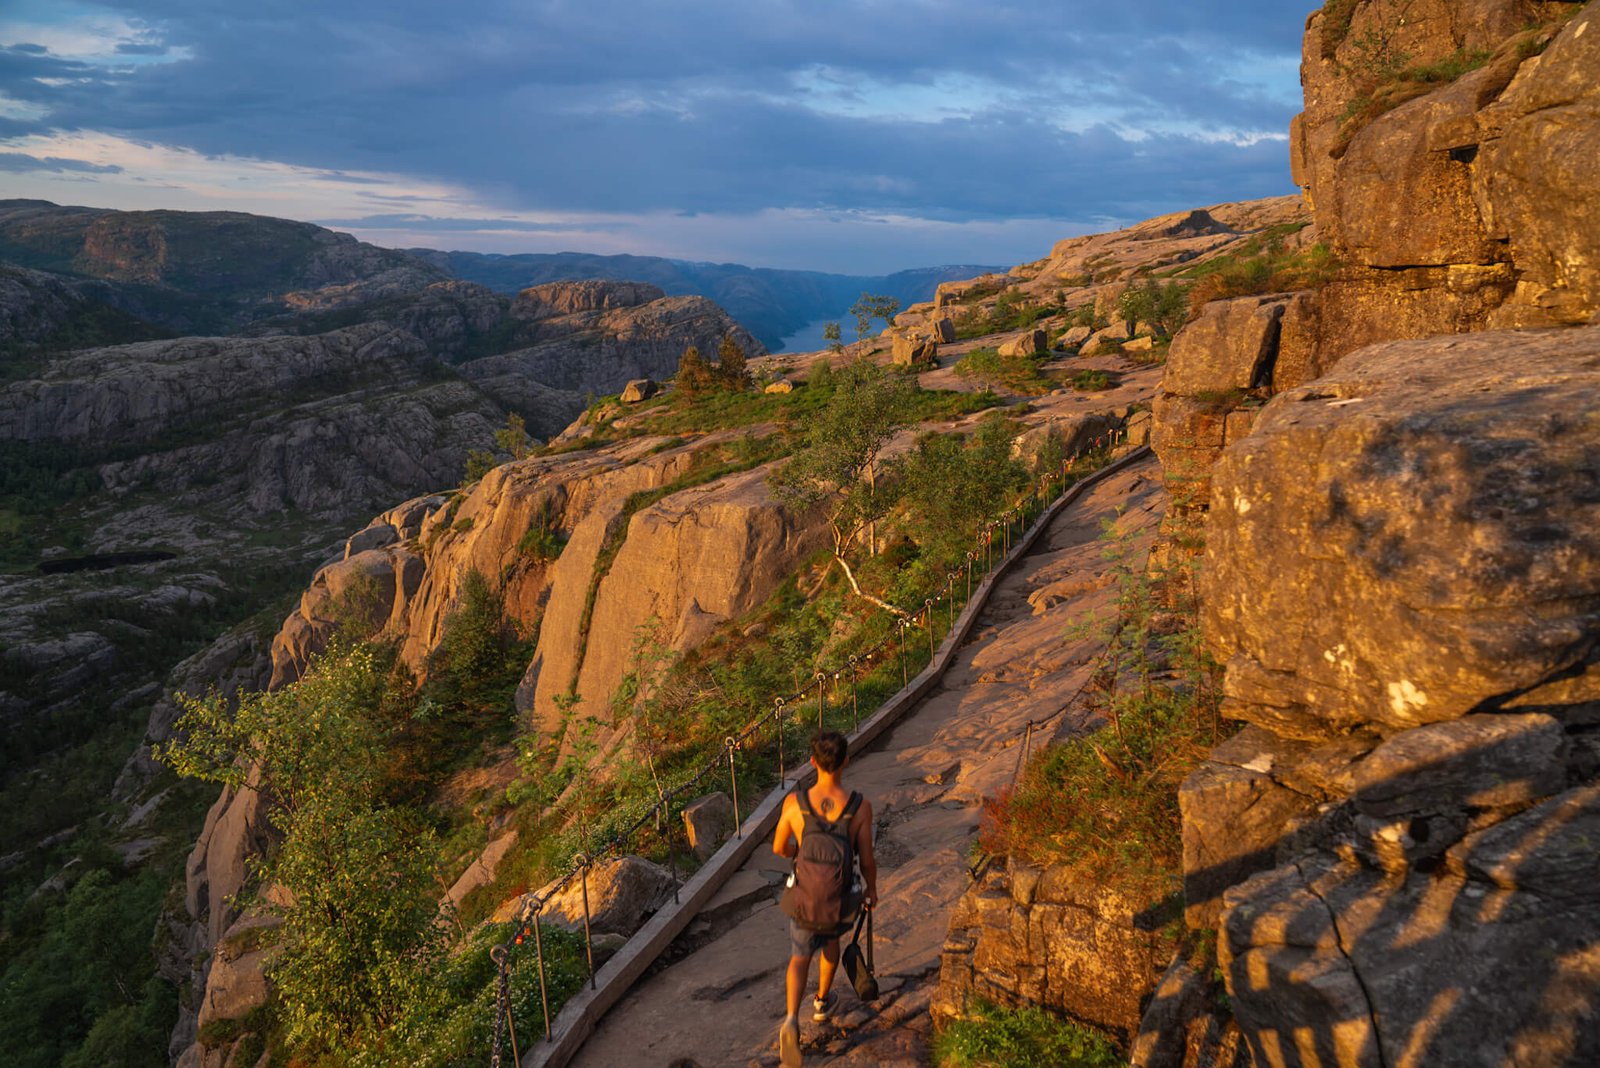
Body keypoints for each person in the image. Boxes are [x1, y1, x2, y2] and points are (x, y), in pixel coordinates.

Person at [771, 731, 878, 1067]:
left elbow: (779, 847)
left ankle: (790, 1020)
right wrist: (872, 890)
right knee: (830, 944)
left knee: (799, 957)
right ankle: (821, 1002)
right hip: (838, 897)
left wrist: (799, 854)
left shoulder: (795, 804)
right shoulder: (859, 807)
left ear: (813, 762)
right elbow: (866, 858)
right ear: (846, 761)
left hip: (804, 895)